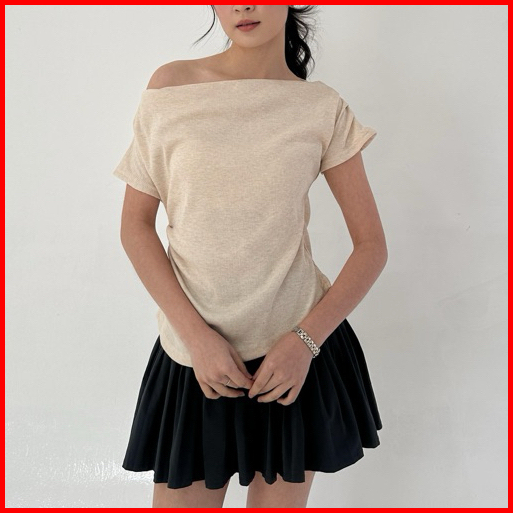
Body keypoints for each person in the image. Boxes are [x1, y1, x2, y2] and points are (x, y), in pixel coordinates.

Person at [112, 5, 387, 509]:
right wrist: (197, 339)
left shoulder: (320, 107)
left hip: (293, 360)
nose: (243, 5)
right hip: (193, 357)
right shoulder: (170, 87)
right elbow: (135, 226)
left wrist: (304, 342)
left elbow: (371, 246)